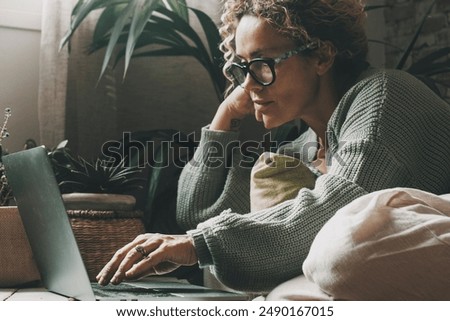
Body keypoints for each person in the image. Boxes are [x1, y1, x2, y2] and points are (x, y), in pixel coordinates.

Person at [96, 0, 450, 294]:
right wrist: (224, 117)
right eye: (241, 68)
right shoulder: (301, 147)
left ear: (322, 57)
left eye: (262, 65)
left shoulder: (385, 94)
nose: (249, 83)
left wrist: (197, 244)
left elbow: (345, 205)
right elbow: (196, 214)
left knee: (340, 252)